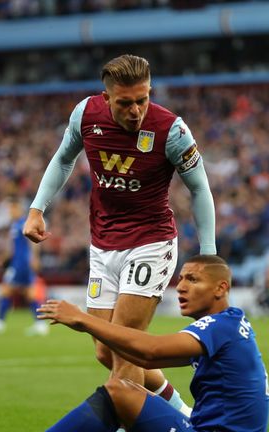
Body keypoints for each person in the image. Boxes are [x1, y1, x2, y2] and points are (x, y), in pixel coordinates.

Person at [23, 54, 216, 413]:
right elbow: (64, 158)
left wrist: (208, 254)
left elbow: (200, 189)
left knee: (126, 353)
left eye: (142, 100)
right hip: (103, 244)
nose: (136, 110)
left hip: (150, 242)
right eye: (125, 103)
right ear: (106, 97)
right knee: (105, 350)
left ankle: (138, 421)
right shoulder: (85, 115)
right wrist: (37, 209)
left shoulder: (171, 130)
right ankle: (186, 416)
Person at [38, 255, 269, 432]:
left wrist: (83, 319)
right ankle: (183, 410)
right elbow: (143, 362)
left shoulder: (219, 327)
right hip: (206, 424)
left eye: (193, 279)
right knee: (138, 378)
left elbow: (150, 352)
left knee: (119, 391)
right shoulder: (230, 323)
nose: (181, 287)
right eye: (181, 279)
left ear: (221, 288)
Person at [0, 200, 48, 335]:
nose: (10, 212)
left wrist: (35, 258)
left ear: (19, 210)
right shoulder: (15, 225)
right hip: (17, 262)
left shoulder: (24, 223)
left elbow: (34, 242)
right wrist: (3, 258)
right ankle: (40, 324)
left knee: (6, 290)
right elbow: (13, 248)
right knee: (30, 294)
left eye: (13, 209)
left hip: (21, 263)